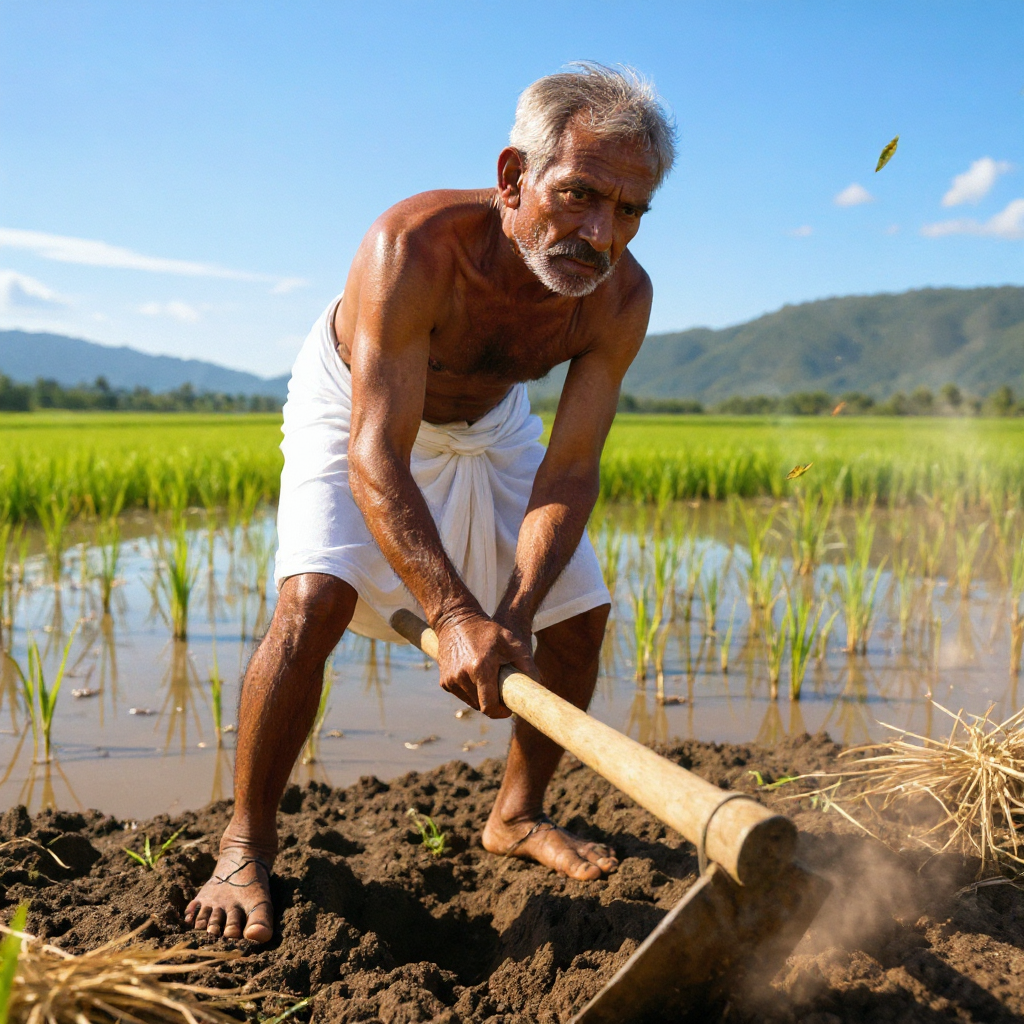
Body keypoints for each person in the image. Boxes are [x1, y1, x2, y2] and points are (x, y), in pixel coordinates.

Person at [185, 62, 675, 942]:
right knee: (314, 601)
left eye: (630, 211)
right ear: (513, 177)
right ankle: (243, 844)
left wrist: (515, 612)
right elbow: (376, 453)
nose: (601, 234)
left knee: (575, 619)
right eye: (580, 195)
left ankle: (515, 816)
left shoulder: (621, 296)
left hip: (493, 421)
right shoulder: (413, 247)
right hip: (359, 401)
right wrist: (452, 612)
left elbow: (566, 474)